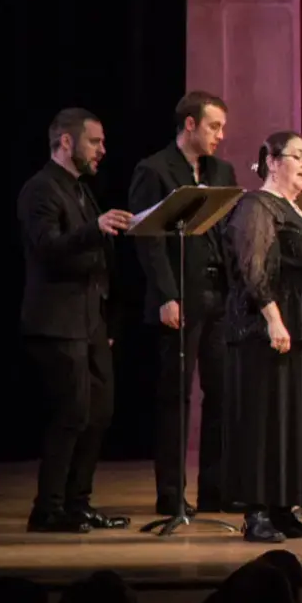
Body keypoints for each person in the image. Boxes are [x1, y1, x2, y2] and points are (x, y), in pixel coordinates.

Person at [219, 132, 302, 541]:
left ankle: (284, 508)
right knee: (266, 421)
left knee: (297, 423)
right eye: (296, 156)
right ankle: (257, 512)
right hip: (269, 330)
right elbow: (252, 267)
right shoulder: (256, 205)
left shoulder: (297, 210)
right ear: (271, 161)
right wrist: (273, 318)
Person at [17, 108, 133, 532]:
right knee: (72, 414)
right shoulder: (40, 189)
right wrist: (95, 229)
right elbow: (47, 247)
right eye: (94, 142)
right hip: (56, 322)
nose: (102, 150)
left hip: (90, 323)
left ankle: (77, 502)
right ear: (66, 142)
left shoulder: (82, 190)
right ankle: (46, 510)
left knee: (99, 412)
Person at [128, 90, 237, 517]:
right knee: (176, 396)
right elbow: (149, 239)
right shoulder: (154, 170)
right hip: (181, 295)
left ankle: (215, 488)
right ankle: (171, 494)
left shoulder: (220, 170)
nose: (220, 136)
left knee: (222, 394)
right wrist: (167, 294)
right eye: (214, 126)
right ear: (189, 124)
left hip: (219, 294)